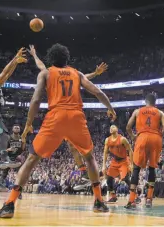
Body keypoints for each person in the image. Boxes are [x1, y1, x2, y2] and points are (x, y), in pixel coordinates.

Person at [0, 43, 116, 218]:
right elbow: (97, 92)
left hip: (56, 117)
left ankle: (9, 204)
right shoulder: (77, 73)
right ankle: (98, 201)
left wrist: (29, 122)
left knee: (31, 159)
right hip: (76, 117)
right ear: (67, 59)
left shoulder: (45, 73)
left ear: (51, 59)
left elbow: (36, 100)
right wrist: (110, 108)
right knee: (89, 157)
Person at [28, 45, 108, 190]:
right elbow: (85, 79)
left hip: (57, 114)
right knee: (75, 147)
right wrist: (95, 74)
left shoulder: (48, 72)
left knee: (69, 146)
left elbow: (41, 66)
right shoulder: (75, 73)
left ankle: (84, 173)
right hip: (74, 115)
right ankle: (85, 176)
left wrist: (34, 55)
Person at [0, 48, 27, 192]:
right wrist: (15, 57)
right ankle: (4, 159)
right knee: (4, 135)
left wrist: (16, 63)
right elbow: (2, 74)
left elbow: (6, 75)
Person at [124, 93, 164, 209]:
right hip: (156, 138)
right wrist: (159, 135)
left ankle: (132, 200)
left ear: (145, 102)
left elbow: (128, 127)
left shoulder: (137, 111)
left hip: (142, 137)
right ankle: (149, 199)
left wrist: (133, 137)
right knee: (152, 168)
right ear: (155, 103)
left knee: (136, 168)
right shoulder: (160, 112)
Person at [101, 125, 135, 203]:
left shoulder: (122, 139)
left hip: (124, 160)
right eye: (110, 127)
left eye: (113, 127)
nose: (111, 127)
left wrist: (131, 164)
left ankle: (135, 196)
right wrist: (103, 165)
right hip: (115, 161)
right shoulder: (107, 140)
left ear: (117, 129)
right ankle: (113, 197)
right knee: (109, 178)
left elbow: (130, 150)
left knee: (126, 179)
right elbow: (105, 153)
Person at [0, 125, 26, 200]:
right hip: (8, 158)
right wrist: (9, 149)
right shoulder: (8, 138)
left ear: (19, 129)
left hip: (16, 159)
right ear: (12, 129)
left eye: (18, 127)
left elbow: (23, 149)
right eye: (15, 127)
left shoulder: (22, 138)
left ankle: (19, 193)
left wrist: (24, 144)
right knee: (3, 176)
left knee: (20, 177)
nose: (16, 128)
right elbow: (3, 149)